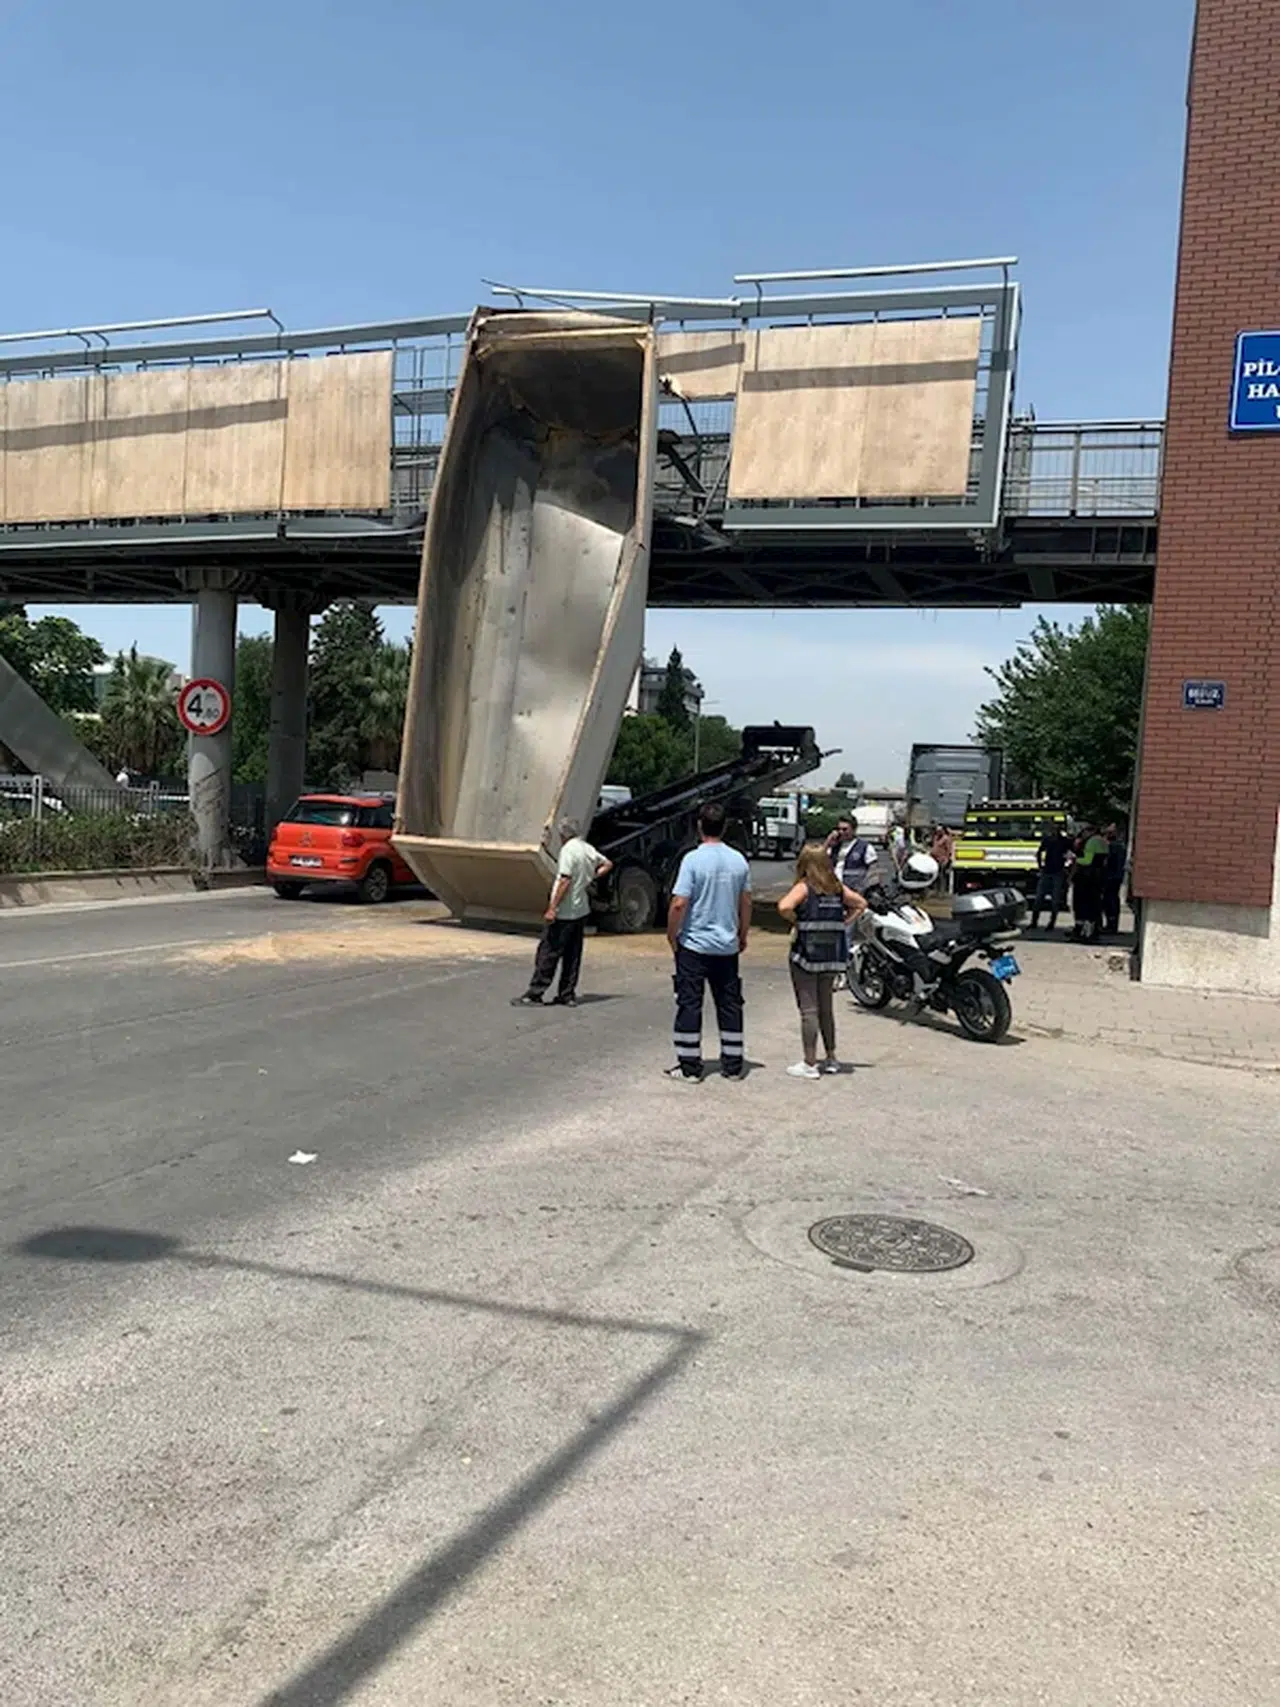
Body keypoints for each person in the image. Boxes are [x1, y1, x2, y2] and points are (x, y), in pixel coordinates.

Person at [665, 801, 752, 1080]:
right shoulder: (739, 860)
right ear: (725, 826)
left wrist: (671, 935)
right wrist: (742, 934)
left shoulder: (692, 859)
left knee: (690, 1003)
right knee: (729, 1003)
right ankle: (733, 1065)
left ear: (699, 826)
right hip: (727, 946)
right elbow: (746, 902)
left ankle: (690, 1067)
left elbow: (679, 903)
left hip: (694, 944)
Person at [777, 842, 867, 1079]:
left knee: (808, 1009)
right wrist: (845, 922)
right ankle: (831, 1057)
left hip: (806, 954)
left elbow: (784, 906)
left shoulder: (805, 887)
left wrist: (797, 921)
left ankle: (809, 1062)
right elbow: (860, 903)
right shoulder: (836, 888)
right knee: (826, 1008)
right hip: (830, 954)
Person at [514, 820, 612, 1007]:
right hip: (581, 910)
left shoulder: (568, 851)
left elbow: (565, 880)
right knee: (572, 954)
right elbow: (607, 863)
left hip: (565, 912)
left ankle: (535, 993)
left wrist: (553, 908)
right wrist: (590, 876)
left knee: (549, 952)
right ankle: (567, 994)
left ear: (563, 835)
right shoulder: (587, 849)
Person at [1030, 822, 1071, 931]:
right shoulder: (1049, 840)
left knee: (1054, 900)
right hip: (1049, 871)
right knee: (1039, 898)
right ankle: (1034, 922)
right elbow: (1039, 852)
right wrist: (1040, 866)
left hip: (1056, 872)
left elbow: (1072, 853)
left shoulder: (1064, 841)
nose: (1054, 831)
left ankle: (1051, 923)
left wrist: (1067, 866)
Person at [1069, 824, 1107, 942]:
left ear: (1090, 831)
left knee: (1082, 905)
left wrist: (1074, 858)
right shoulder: (1103, 841)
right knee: (1094, 905)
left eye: (1084, 831)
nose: (1083, 834)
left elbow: (1087, 860)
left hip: (1086, 878)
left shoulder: (1092, 842)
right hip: (1098, 877)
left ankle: (1082, 932)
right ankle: (1092, 931)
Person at [825, 815, 876, 895]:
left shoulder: (865, 847)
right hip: (834, 890)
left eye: (845, 829)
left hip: (854, 891)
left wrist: (862, 889)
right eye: (839, 829)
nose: (841, 832)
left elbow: (873, 872)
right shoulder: (834, 846)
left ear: (854, 829)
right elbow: (817, 858)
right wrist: (827, 842)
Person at [1102, 822, 1128, 936]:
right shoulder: (1120, 846)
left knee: (1110, 901)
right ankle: (1112, 925)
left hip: (1111, 877)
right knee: (1111, 901)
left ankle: (1111, 925)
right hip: (1115, 877)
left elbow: (1107, 862)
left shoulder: (1113, 846)